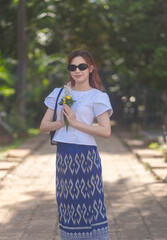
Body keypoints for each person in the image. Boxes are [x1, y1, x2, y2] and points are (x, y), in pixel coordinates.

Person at [40, 49, 112, 240]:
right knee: (67, 204)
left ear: (91, 68)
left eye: (82, 66)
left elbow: (106, 131)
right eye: (72, 67)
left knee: (91, 204)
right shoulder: (58, 93)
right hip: (64, 156)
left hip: (87, 156)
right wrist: (61, 123)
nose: (77, 70)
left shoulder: (97, 96)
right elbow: (43, 125)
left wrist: (76, 123)